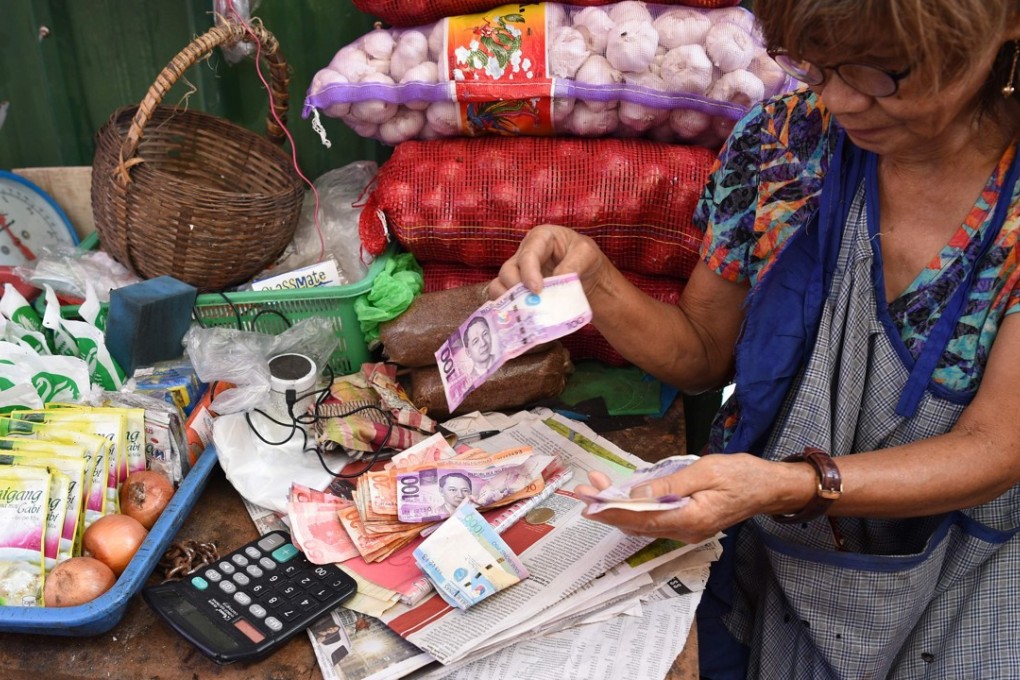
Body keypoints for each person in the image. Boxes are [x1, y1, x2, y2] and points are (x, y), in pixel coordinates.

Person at [490, 1, 1020, 677]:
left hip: (967, 573)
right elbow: (702, 352)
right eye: (815, 65)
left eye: (882, 70)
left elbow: (997, 445)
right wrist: (594, 278)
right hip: (785, 559)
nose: (841, 98)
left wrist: (786, 485)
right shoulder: (783, 142)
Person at [462, 315, 496, 380]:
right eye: (476, 341)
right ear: (468, 352)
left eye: (485, 334)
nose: (483, 343)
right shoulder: (469, 381)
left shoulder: (503, 358)